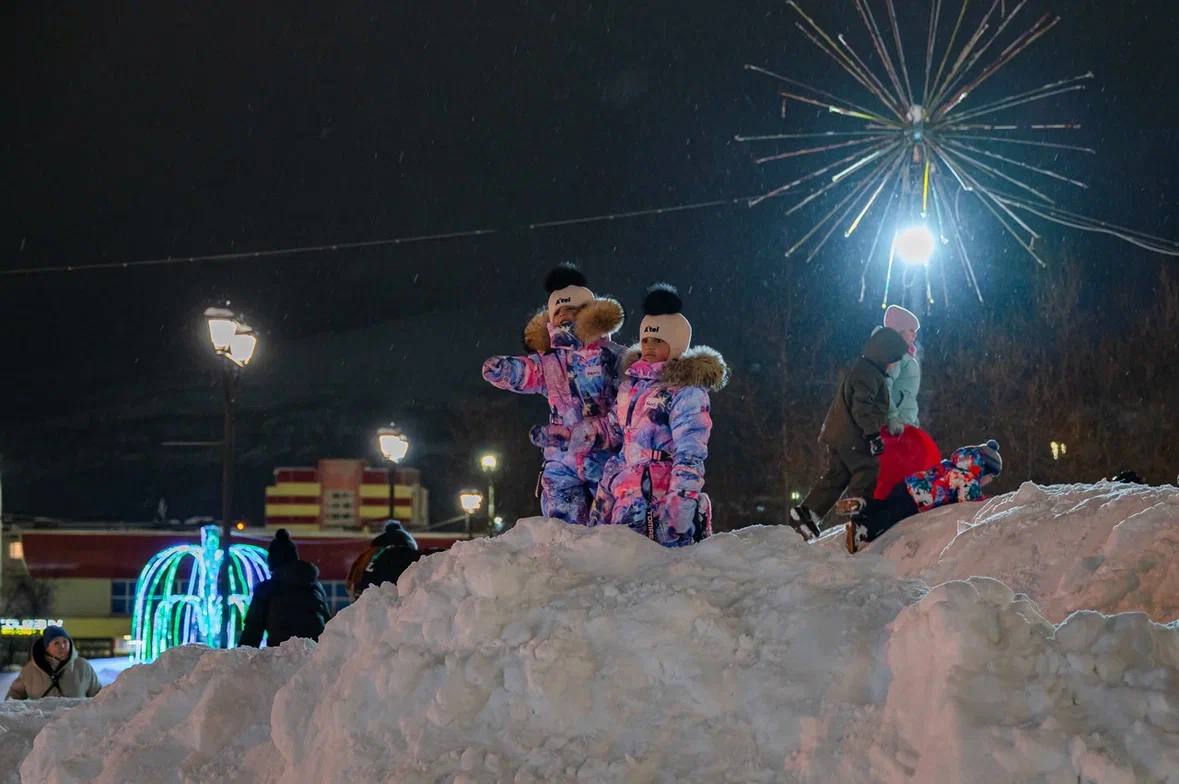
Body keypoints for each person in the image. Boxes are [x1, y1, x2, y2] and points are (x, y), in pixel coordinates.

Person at [482, 263, 626, 524]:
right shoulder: (549, 361)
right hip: (562, 458)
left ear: (589, 314)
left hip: (604, 457)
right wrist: (505, 370)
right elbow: (530, 372)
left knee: (609, 531)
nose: (565, 317)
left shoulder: (613, 356)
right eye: (559, 311)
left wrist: (598, 433)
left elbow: (626, 407)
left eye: (573, 310)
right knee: (561, 526)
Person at [589, 284, 729, 546]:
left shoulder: (686, 393)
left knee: (660, 578)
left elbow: (690, 454)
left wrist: (679, 508)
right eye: (645, 340)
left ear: (675, 344)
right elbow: (617, 433)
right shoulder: (631, 385)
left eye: (658, 341)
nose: (649, 346)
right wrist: (578, 436)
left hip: (660, 503)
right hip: (625, 497)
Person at [789, 326, 910, 541]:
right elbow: (861, 407)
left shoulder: (864, 370)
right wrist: (873, 435)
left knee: (838, 475)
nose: (894, 366)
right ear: (885, 357)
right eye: (894, 360)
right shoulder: (868, 375)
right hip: (852, 436)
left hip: (839, 433)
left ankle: (806, 514)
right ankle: (858, 517)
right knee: (867, 469)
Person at [844, 440, 1003, 553]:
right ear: (984, 468)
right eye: (990, 477)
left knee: (885, 504)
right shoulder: (968, 478)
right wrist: (988, 501)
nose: (988, 481)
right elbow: (969, 501)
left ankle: (863, 505)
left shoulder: (953, 464)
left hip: (909, 484)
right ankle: (862, 530)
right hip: (918, 498)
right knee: (891, 516)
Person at [240, 529, 331, 647]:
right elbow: (328, 622)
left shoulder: (267, 589)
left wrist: (242, 658)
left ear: (272, 562)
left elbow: (252, 631)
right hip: (315, 652)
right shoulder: (314, 586)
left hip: (281, 655)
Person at [6, 625, 101, 700]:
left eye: (65, 641)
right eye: (56, 643)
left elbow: (99, 695)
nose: (62, 646)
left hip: (76, 723)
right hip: (41, 724)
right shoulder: (30, 670)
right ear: (46, 647)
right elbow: (15, 694)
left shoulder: (82, 667)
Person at [345, 519, 422, 602]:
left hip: (366, 592)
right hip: (395, 595)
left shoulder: (369, 554)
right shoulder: (408, 554)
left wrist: (355, 590)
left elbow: (353, 575)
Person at [882, 305, 922, 435]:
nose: (915, 335)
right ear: (899, 330)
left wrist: (913, 419)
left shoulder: (905, 353)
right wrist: (892, 417)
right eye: (911, 330)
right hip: (897, 427)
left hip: (906, 424)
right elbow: (884, 386)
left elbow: (908, 394)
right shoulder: (895, 353)